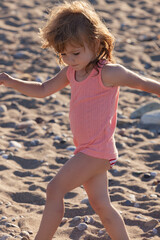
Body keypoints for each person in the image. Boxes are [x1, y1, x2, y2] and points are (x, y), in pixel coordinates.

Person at [0, 1, 160, 239]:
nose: (69, 59)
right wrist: (12, 81)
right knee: (102, 207)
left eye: (75, 53)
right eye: (63, 54)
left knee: (55, 188)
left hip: (96, 151)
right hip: (86, 149)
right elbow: (43, 89)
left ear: (95, 44)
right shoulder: (71, 72)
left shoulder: (108, 72)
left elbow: (144, 84)